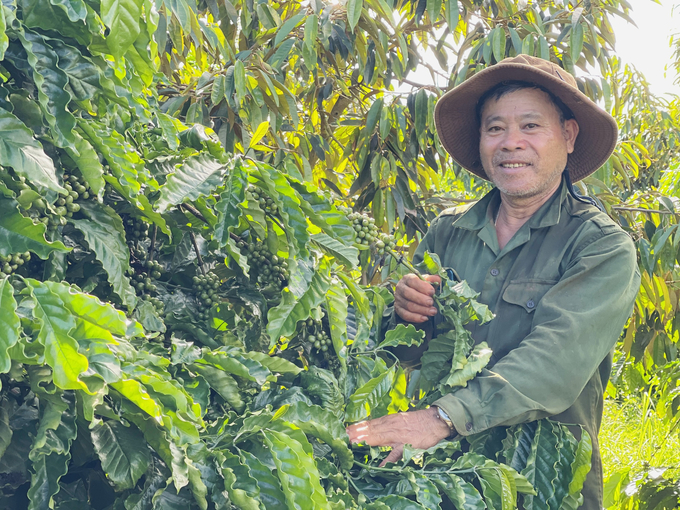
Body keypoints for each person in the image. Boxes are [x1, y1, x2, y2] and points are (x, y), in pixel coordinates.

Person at [346, 55, 641, 510]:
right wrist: (400, 310)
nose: (511, 143)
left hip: (544, 482)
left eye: (530, 126)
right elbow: (405, 352)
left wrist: (443, 417)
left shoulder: (600, 247)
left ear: (568, 135)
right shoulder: (447, 231)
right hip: (443, 476)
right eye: (495, 128)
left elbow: (554, 362)